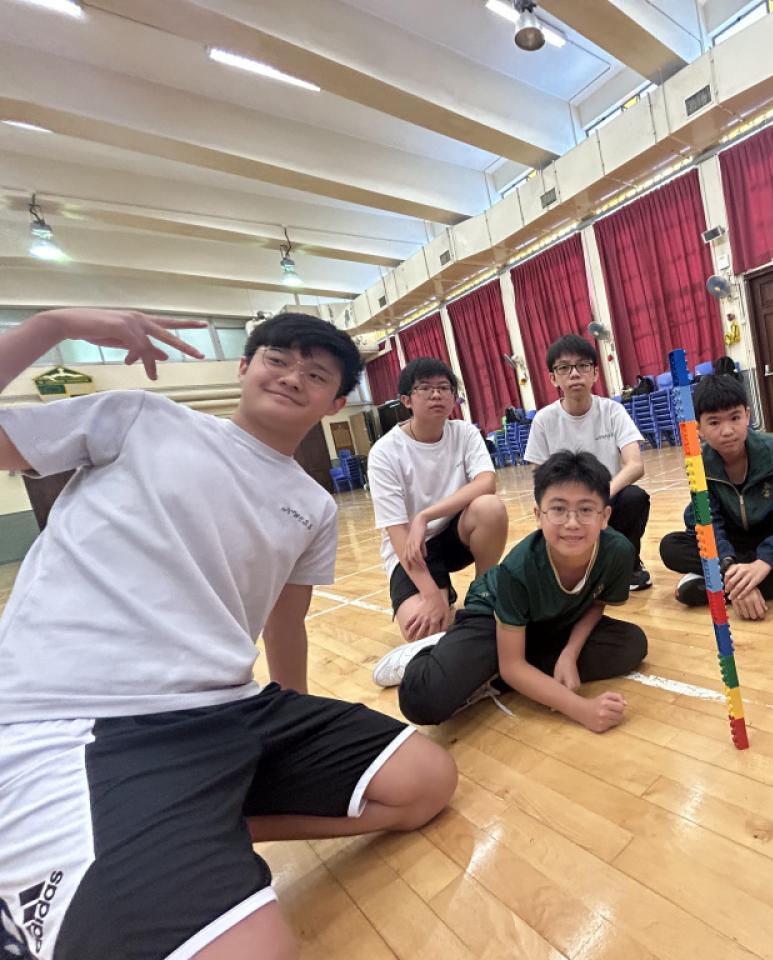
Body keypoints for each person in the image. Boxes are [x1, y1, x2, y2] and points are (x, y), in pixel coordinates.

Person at [0, 309, 456, 960]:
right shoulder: (141, 419)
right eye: (278, 359)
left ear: (336, 403)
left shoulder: (313, 506)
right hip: (81, 719)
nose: (293, 377)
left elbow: (285, 621)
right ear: (243, 368)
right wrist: (52, 326)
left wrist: (295, 720)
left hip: (230, 710)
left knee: (424, 783)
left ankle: (196, 827)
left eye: (316, 374)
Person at [371, 451, 647, 734]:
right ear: (538, 515)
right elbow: (513, 666)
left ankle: (492, 673)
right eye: (558, 509)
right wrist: (581, 709)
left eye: (586, 510)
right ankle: (431, 652)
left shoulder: (618, 551)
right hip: (491, 615)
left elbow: (596, 603)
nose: (572, 523)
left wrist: (569, 653)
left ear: (605, 516)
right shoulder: (519, 568)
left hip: (551, 622)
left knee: (631, 644)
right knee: (423, 699)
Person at [658, 374, 773, 621]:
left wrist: (764, 562)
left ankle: (723, 588)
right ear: (699, 429)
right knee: (671, 547)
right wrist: (729, 565)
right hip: (734, 546)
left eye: (735, 417)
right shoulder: (698, 465)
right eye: (714, 423)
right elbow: (709, 524)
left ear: (748, 415)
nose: (728, 431)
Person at [367, 356, 508, 643]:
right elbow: (397, 532)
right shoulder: (385, 452)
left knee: (490, 507)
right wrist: (431, 595)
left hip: (455, 535)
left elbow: (486, 482)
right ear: (406, 400)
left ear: (454, 397)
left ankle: (482, 590)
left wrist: (425, 516)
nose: (436, 394)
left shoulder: (465, 433)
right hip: (413, 548)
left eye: (444, 388)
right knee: (423, 632)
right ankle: (441, 591)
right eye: (425, 388)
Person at [523, 334, 652, 591]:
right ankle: (579, 565)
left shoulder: (612, 411)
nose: (574, 374)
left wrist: (601, 495)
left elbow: (635, 465)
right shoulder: (544, 420)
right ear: (553, 378)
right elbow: (540, 477)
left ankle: (628, 565)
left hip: (608, 499)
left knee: (634, 498)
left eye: (582, 365)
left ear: (595, 373)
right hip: (568, 506)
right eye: (564, 368)